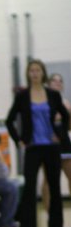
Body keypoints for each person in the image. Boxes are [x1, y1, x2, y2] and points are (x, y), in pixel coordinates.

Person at [6, 59, 70, 227]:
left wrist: (60, 134)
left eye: (38, 70)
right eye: (31, 70)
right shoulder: (23, 96)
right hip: (32, 147)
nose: (34, 73)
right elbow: (9, 121)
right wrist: (19, 140)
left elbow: (65, 116)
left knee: (54, 187)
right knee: (29, 188)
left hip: (51, 147)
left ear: (43, 73)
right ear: (28, 74)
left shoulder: (52, 94)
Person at [41, 72, 71, 208]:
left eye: (60, 81)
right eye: (54, 80)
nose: (58, 83)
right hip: (48, 143)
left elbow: (68, 126)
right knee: (49, 179)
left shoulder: (66, 103)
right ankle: (48, 211)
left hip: (64, 142)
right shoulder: (42, 101)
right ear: (48, 84)